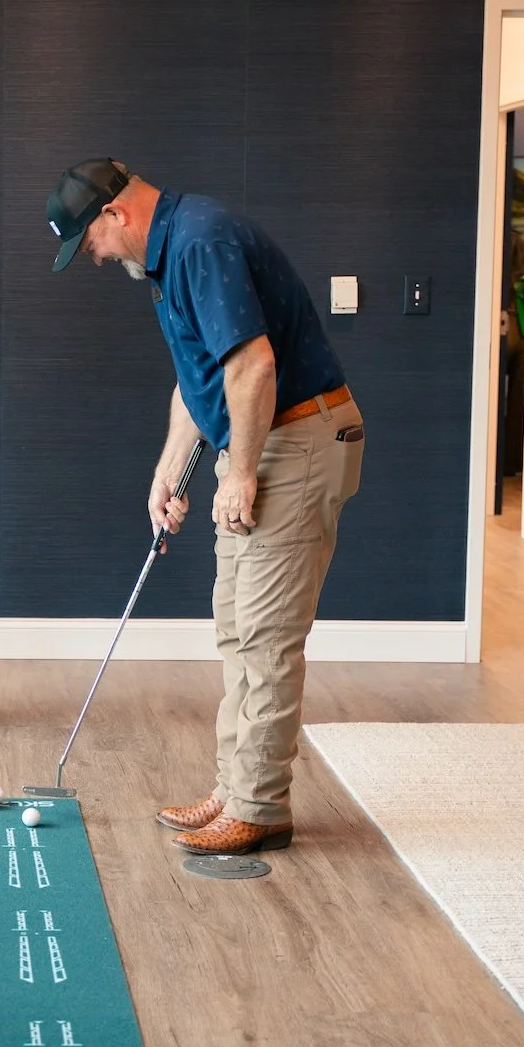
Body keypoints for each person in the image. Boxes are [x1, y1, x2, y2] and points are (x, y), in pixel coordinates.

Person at [47, 158, 364, 855]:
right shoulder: (170, 255)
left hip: (295, 441)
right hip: (262, 440)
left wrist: (240, 473)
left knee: (266, 635)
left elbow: (252, 366)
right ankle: (236, 786)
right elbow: (202, 377)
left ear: (114, 214)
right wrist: (170, 473)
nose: (96, 259)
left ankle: (259, 806)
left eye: (91, 243)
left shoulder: (200, 241)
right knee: (236, 627)